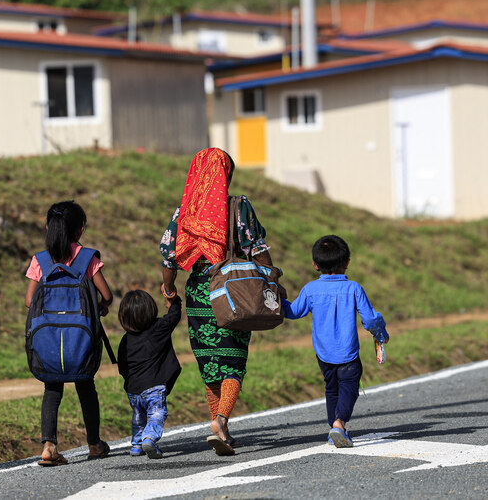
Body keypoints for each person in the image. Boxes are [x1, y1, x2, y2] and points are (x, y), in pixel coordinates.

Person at [160, 147, 275, 456]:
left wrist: (169, 289)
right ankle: (221, 420)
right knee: (233, 360)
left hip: (197, 292)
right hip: (231, 290)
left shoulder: (185, 211)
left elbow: (169, 257)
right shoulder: (239, 206)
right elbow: (256, 248)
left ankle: (220, 428)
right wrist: (272, 277)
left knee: (210, 362)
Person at [25, 201, 113, 466]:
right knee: (86, 385)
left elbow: (30, 301)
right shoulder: (88, 258)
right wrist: (99, 308)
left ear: (48, 228)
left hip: (48, 339)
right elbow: (106, 295)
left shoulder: (40, 260)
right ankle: (94, 443)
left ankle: (49, 446)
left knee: (52, 388)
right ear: (81, 229)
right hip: (81, 339)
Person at [282, 234, 389, 449]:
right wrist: (380, 333)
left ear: (315, 264)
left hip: (323, 353)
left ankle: (334, 429)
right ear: (347, 262)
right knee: (349, 387)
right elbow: (369, 319)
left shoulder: (311, 289)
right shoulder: (354, 288)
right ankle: (339, 424)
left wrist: (275, 300)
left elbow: (293, 312)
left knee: (332, 389)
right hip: (348, 352)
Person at [117, 289, 182, 459]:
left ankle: (137, 445)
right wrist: (174, 301)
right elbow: (174, 316)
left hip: (133, 389)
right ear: (150, 310)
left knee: (138, 417)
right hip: (154, 386)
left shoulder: (125, 339)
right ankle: (150, 438)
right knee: (156, 413)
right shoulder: (158, 328)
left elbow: (122, 366)